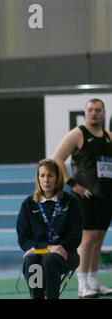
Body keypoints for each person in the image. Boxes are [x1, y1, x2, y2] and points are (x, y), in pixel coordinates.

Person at [53, 98, 112, 298]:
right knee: (86, 240)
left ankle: (94, 281)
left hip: (105, 196)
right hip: (85, 195)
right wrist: (73, 184)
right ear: (85, 113)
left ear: (104, 113)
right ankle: (82, 284)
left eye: (98, 110)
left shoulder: (109, 137)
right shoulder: (78, 134)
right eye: (90, 110)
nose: (94, 113)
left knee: (98, 239)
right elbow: (57, 158)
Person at [16, 159, 83, 299]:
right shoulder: (28, 204)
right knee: (30, 260)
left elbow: (76, 235)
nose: (46, 180)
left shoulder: (71, 201)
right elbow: (23, 238)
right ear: (38, 178)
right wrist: (46, 247)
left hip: (66, 253)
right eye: (42, 175)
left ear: (57, 178)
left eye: (50, 175)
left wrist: (60, 247)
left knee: (50, 259)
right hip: (38, 252)